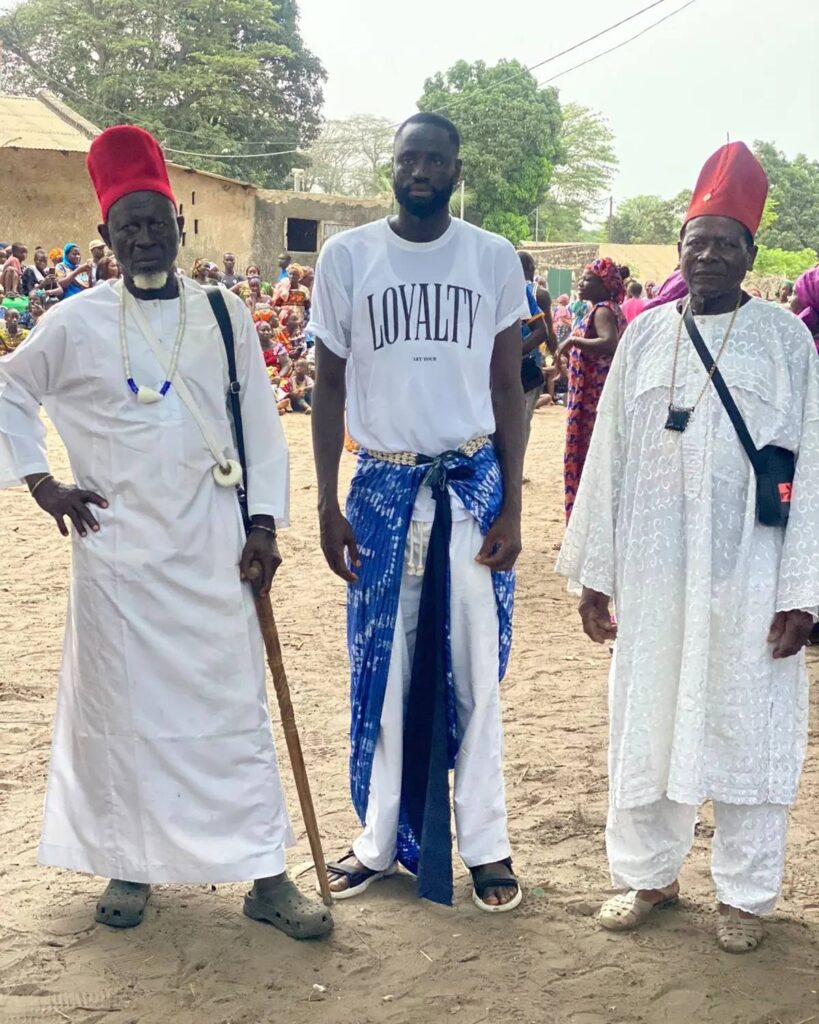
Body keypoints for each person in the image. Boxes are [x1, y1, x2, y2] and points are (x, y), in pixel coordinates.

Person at [0, 124, 332, 939]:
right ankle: (129, 863)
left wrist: (263, 526)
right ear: (105, 236)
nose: (143, 236)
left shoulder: (223, 314)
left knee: (234, 709)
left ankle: (264, 874)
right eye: (127, 226)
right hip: (116, 561)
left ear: (178, 229)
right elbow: (8, 390)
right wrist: (43, 484)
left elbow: (257, 420)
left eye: (156, 222)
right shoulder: (74, 321)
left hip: (217, 550)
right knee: (122, 714)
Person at [556, 141, 819, 954]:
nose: (707, 256)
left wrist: (802, 591)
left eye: (725, 244)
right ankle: (646, 875)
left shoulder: (785, 342)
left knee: (748, 723)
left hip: (751, 571)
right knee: (647, 713)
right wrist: (593, 575)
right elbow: (608, 460)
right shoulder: (640, 338)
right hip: (653, 571)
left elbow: (812, 465)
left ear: (748, 255)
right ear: (677, 251)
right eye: (694, 241)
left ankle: (744, 897)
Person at [309, 111, 526, 913]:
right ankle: (377, 841)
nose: (421, 169)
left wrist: (512, 505)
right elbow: (328, 387)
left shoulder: (492, 257)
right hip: (381, 489)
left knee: (472, 673)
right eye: (409, 158)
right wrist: (327, 501)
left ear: (455, 168)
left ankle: (486, 846)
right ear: (392, 167)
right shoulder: (348, 256)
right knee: (381, 670)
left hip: (469, 488)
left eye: (435, 158)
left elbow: (510, 388)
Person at [557, 259, 628, 522]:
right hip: (591, 395)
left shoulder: (602, 310)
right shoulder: (606, 308)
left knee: (588, 459)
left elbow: (608, 343)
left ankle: (585, 524)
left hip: (592, 400)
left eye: (587, 279)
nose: (580, 283)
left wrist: (573, 341)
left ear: (604, 285)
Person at [518, 251, 556, 450]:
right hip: (530, 361)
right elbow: (547, 331)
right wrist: (556, 356)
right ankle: (516, 468)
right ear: (531, 269)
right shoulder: (539, 294)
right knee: (523, 420)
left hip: (503, 363)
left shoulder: (500, 287)